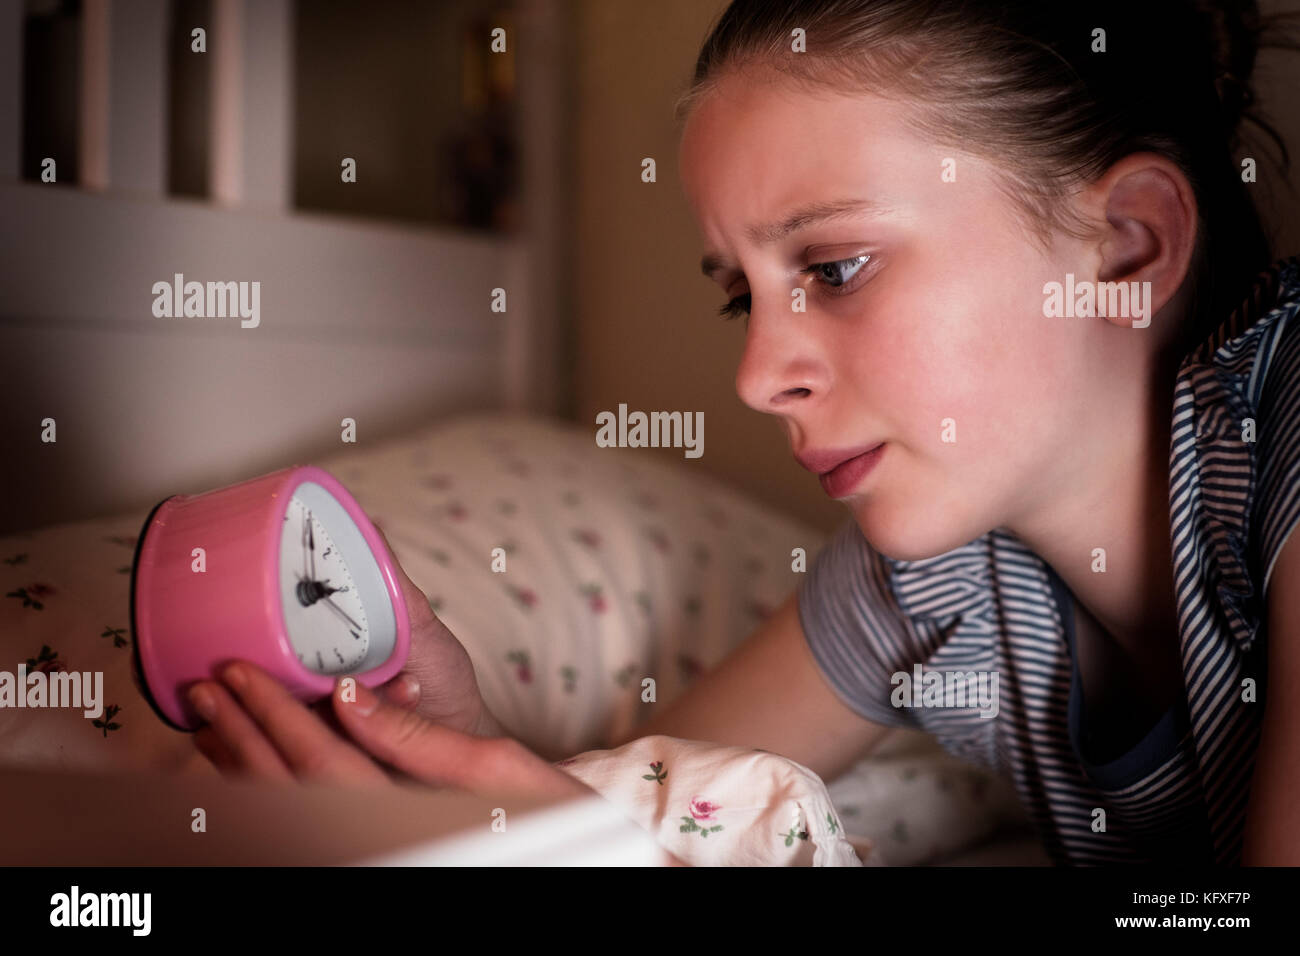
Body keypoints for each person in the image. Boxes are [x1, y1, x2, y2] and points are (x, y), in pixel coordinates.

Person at [188, 0, 1300, 865]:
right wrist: (465, 756)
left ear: (1124, 244)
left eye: (834, 267)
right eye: (741, 296)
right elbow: (667, 807)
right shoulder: (933, 577)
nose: (759, 376)